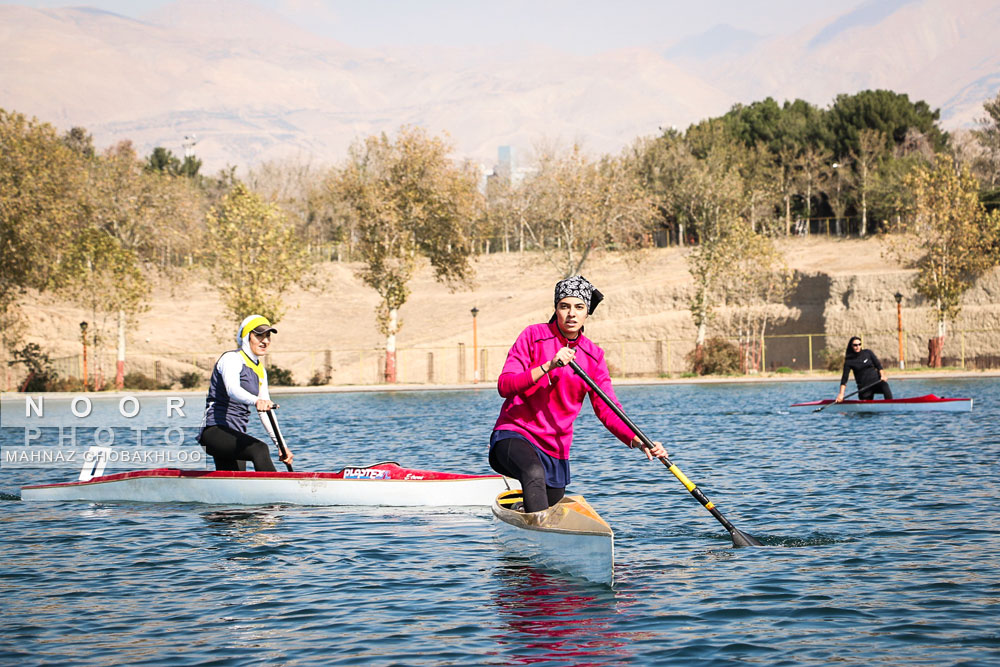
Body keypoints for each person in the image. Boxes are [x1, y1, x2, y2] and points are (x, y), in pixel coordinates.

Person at [489, 275, 667, 513]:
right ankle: (539, 541)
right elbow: (505, 385)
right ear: (556, 309)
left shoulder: (593, 356)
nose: (571, 313)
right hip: (514, 435)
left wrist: (637, 440)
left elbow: (608, 408)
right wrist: (548, 366)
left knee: (551, 496)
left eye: (579, 307)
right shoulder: (533, 336)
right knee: (533, 473)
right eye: (565, 306)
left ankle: (524, 510)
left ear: (587, 313)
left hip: (555, 447)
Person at [198, 315, 293, 471]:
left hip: (235, 435)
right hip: (214, 431)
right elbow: (233, 390)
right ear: (246, 336)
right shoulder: (231, 359)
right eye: (259, 335)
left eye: (268, 336)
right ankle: (275, 494)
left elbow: (265, 413)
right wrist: (256, 401)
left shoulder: (260, 371)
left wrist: (282, 446)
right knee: (259, 449)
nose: (265, 341)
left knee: (233, 481)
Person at [836, 336, 893, 402]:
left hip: (877, 382)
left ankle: (890, 403)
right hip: (864, 388)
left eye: (859, 344)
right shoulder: (849, 361)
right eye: (855, 345)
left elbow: (878, 366)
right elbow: (844, 379)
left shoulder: (868, 353)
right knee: (867, 411)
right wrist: (841, 394)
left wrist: (882, 375)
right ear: (851, 346)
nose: (858, 347)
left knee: (885, 386)